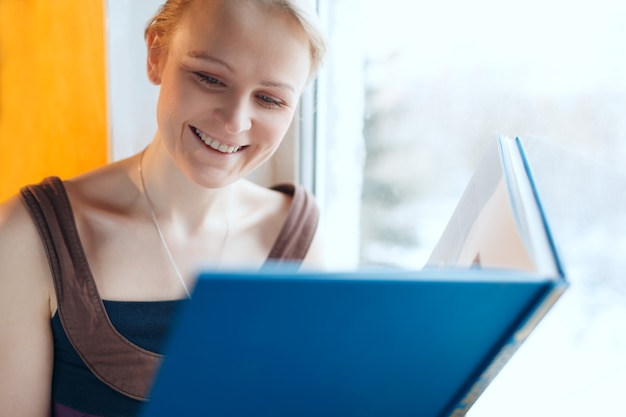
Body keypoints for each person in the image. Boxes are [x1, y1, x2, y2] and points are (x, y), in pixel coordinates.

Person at [0, 0, 327, 415]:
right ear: (156, 54)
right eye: (209, 78)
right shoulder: (26, 237)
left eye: (270, 99)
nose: (234, 121)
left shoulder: (302, 239)